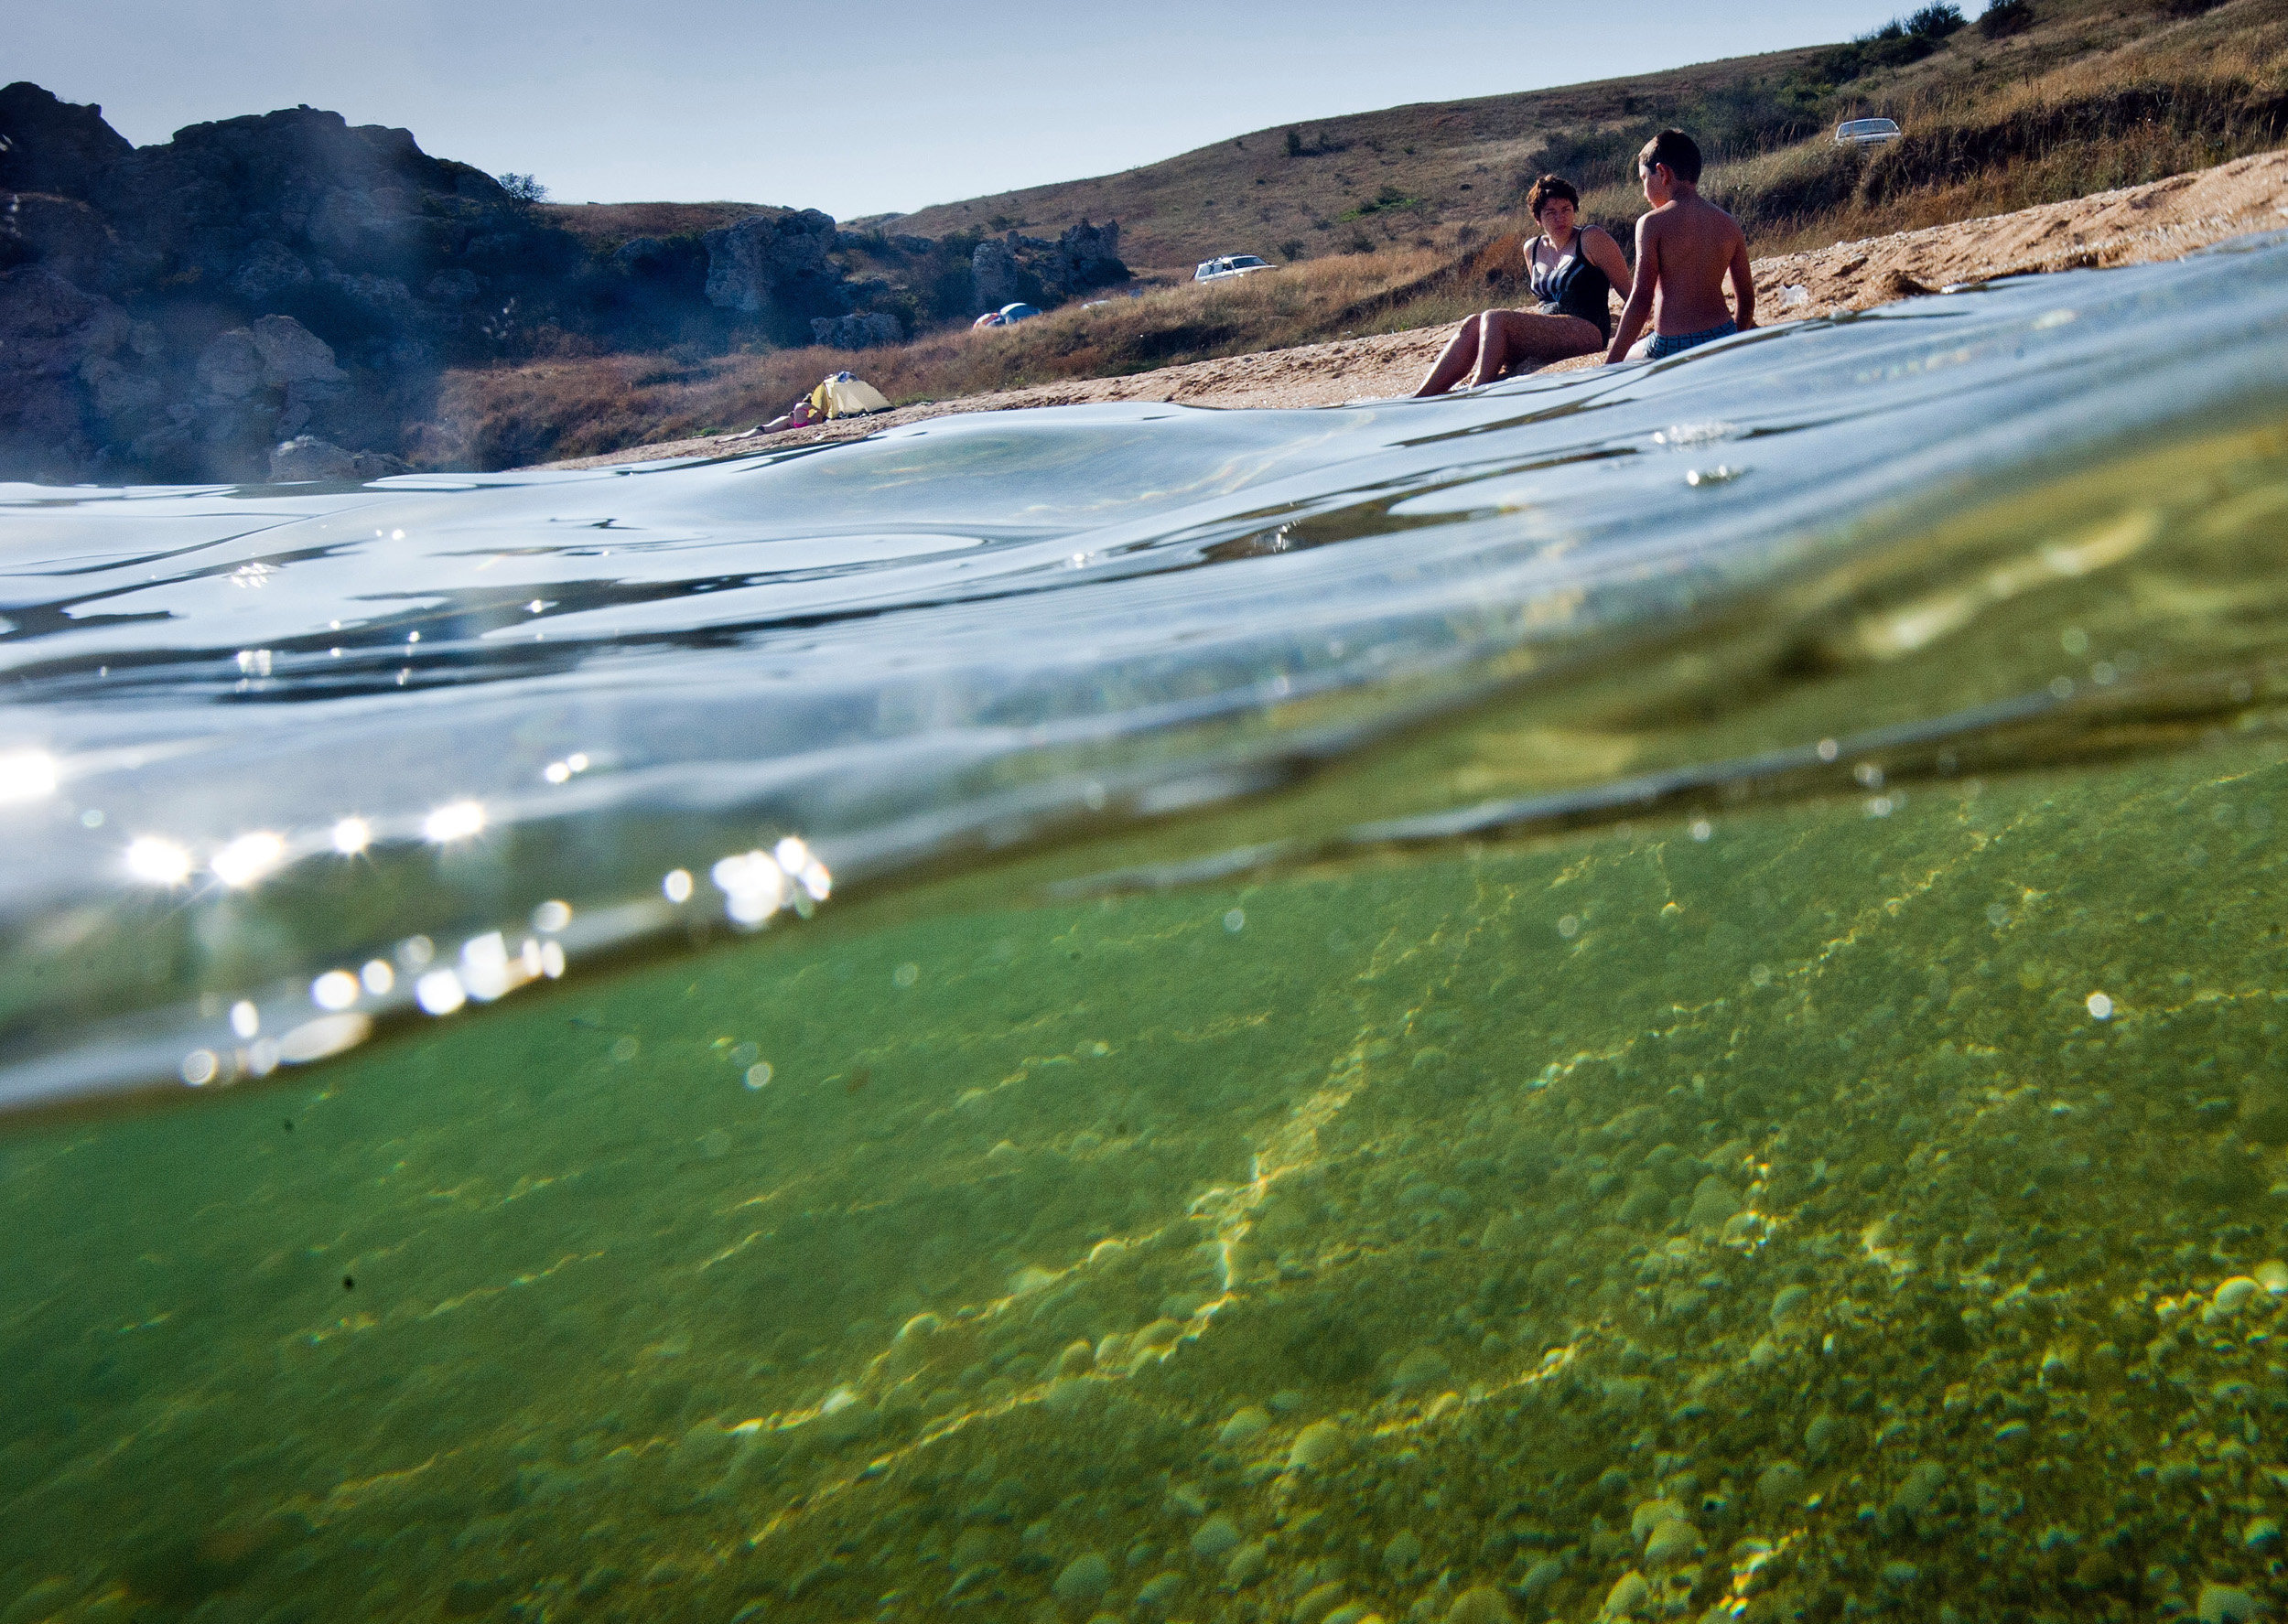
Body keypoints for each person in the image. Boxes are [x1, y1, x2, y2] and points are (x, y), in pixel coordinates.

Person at [1413, 175, 1633, 396]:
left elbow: (1630, 292)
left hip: (1587, 330)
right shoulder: (1533, 248)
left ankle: (1478, 390)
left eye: (1566, 210)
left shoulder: (1591, 238)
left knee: (1494, 318)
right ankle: (1420, 398)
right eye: (1551, 213)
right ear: (1538, 218)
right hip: (1546, 333)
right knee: (1473, 324)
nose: (1560, 218)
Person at [1604, 129, 1754, 364]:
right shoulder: (1728, 223)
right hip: (1722, 334)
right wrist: (1735, 340)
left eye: (1644, 179)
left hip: (1673, 343)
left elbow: (1641, 300)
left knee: (1632, 354)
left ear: (1663, 173)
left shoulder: (1651, 224)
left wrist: (1610, 364)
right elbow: (1746, 299)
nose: (1644, 192)